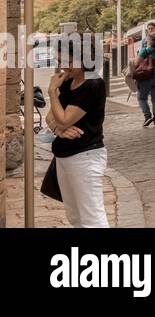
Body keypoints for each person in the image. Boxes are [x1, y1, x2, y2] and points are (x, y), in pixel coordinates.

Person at [46, 39, 109, 228]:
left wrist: (51, 91)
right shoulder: (69, 81)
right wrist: (59, 130)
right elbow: (51, 118)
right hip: (64, 156)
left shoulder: (93, 84)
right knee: (75, 216)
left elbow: (64, 118)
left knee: (92, 218)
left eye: (67, 60)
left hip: (85, 156)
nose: (63, 65)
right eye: (60, 60)